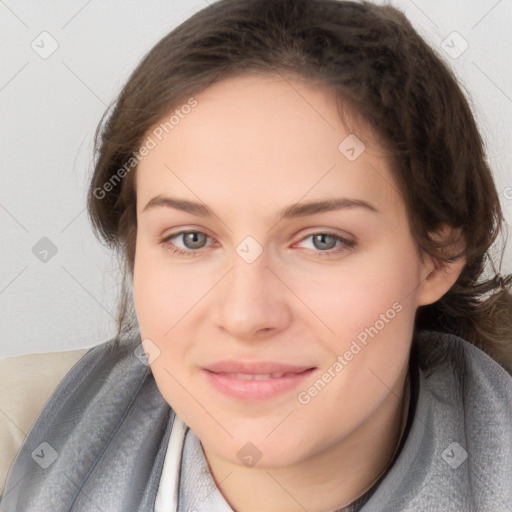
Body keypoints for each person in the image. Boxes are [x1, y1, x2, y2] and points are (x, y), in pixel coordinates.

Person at [1, 0, 511, 510]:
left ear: (439, 255)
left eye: (322, 240)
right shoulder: (15, 443)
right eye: (191, 238)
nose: (245, 315)